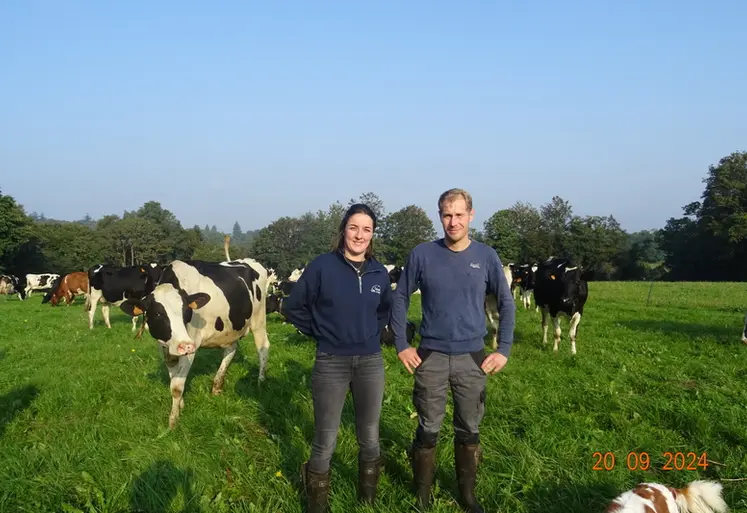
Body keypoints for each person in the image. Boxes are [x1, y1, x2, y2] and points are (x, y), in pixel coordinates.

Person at [389, 188, 516, 512]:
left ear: (471, 215)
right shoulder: (422, 254)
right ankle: (422, 495)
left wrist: (502, 349)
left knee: (469, 429)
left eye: (459, 215)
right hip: (430, 355)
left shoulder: (486, 257)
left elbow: (505, 302)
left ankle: (468, 495)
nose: (453, 221)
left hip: (472, 358)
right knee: (428, 428)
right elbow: (400, 297)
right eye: (447, 215)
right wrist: (402, 345)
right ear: (440, 215)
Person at [282, 203, 393, 513]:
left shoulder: (379, 273)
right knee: (325, 439)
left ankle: (366, 501)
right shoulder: (322, 266)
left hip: (370, 362)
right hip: (331, 361)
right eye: (354, 227)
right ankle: (317, 506)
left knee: (369, 435)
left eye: (366, 229)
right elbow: (294, 307)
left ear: (372, 235)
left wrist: (371, 331)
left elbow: (384, 310)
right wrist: (321, 331)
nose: (359, 235)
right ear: (344, 229)